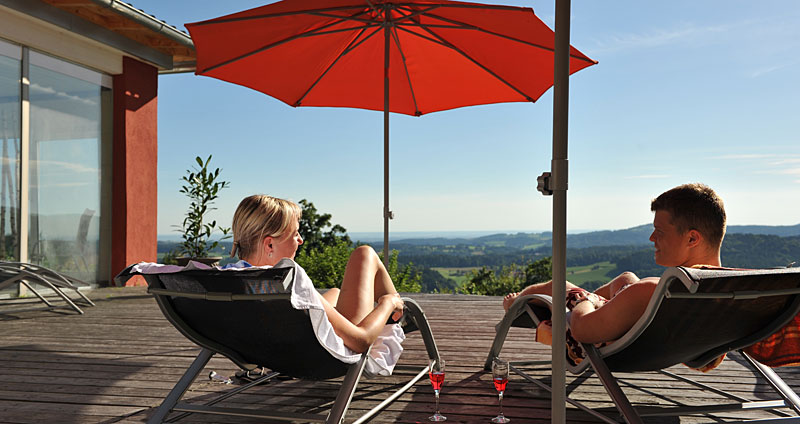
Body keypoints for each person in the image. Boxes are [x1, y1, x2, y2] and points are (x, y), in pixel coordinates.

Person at [503, 183, 726, 347]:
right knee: (626, 278)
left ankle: (516, 304)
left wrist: (583, 299)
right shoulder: (727, 287)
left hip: (604, 338)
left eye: (659, 231)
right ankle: (602, 307)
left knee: (556, 286)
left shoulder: (651, 291)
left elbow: (581, 330)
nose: (651, 238)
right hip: (662, 339)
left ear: (692, 239)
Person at [229, 194, 405, 354]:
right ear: (270, 245)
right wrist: (388, 303)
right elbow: (361, 341)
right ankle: (399, 311)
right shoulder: (287, 280)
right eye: (295, 234)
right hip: (326, 351)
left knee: (335, 292)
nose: (300, 240)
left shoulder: (229, 279)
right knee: (364, 254)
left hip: (279, 347)